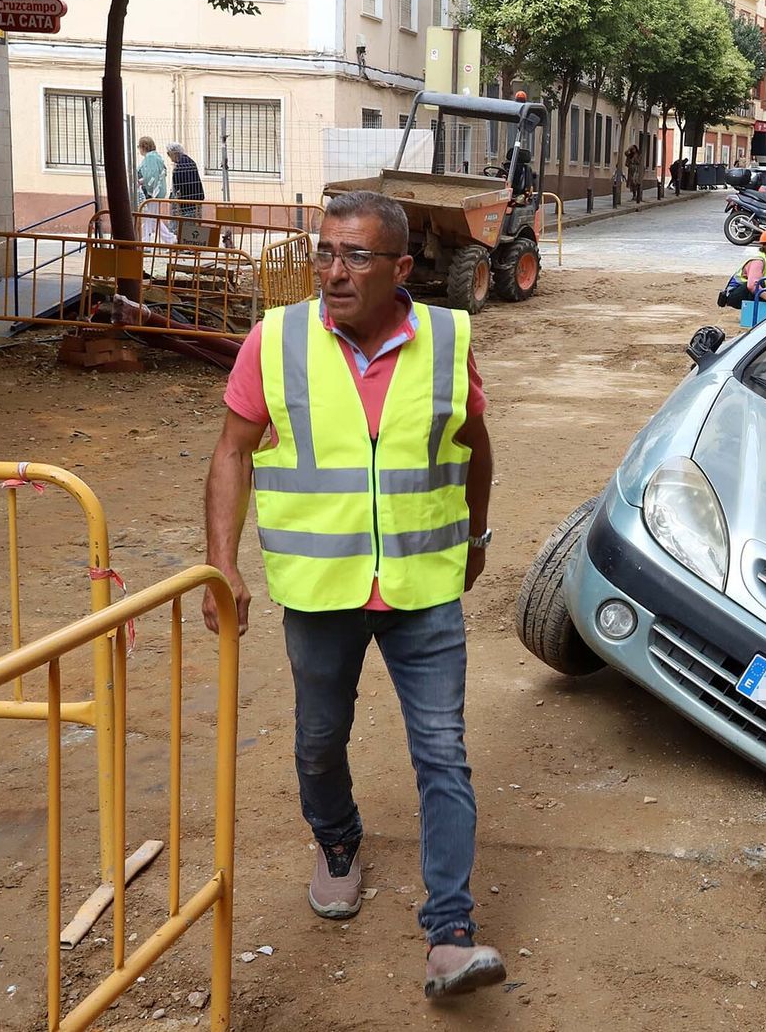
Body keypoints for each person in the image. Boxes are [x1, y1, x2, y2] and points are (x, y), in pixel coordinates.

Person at [202, 190, 506, 999]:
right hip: (321, 586)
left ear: (401, 268)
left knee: (443, 752)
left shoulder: (447, 339)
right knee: (316, 741)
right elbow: (232, 450)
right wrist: (220, 563)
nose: (334, 272)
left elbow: (475, 445)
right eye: (326, 252)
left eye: (357, 256)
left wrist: (476, 537)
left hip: (422, 584)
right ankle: (337, 840)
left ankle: (450, 930)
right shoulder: (275, 342)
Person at [135, 136, 176, 245]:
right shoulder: (156, 157)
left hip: (152, 193)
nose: (139, 149)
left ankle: (150, 241)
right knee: (152, 218)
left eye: (139, 147)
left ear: (143, 147)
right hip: (156, 192)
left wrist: (140, 182)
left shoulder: (150, 158)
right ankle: (165, 239)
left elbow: (151, 175)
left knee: (150, 217)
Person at [167, 142, 206, 220]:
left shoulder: (181, 165)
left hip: (187, 201)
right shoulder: (188, 161)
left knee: (187, 223)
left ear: (174, 153)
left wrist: (174, 197)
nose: (168, 156)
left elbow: (178, 185)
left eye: (168, 153)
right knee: (194, 222)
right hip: (195, 198)